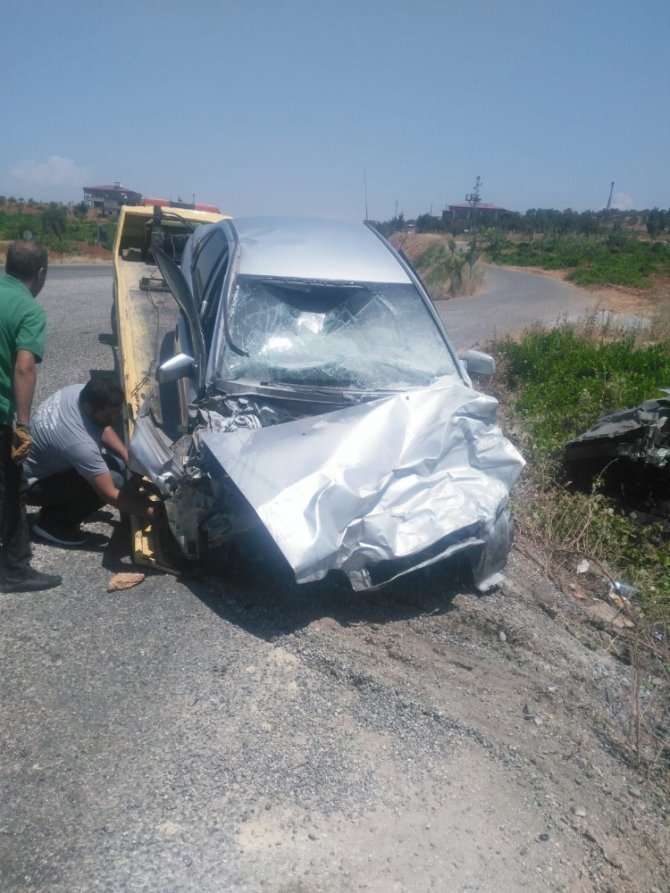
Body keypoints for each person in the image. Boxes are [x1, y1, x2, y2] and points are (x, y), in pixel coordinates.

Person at [23, 377, 155, 547]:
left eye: (117, 412)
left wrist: (126, 455)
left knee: (119, 464)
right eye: (109, 414)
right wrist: (153, 513)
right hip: (29, 486)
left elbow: (100, 424)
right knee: (114, 480)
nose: (114, 418)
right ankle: (52, 524)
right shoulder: (79, 443)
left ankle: (60, 509)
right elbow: (108, 493)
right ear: (88, 408)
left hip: (30, 467)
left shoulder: (78, 392)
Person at [0, 240, 61, 592]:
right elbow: (24, 368)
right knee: (12, 490)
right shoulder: (29, 311)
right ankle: (15, 570)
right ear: (40, 273)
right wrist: (23, 426)